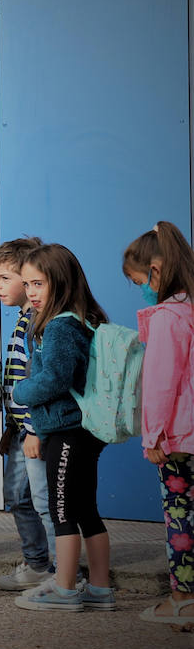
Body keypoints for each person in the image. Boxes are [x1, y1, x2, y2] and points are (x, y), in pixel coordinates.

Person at [11, 243, 115, 611]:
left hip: (67, 431)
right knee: (86, 510)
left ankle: (65, 588)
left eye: (38, 284)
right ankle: (100, 589)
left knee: (62, 511)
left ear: (62, 281)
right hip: (81, 430)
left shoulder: (60, 327)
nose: (31, 293)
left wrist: (20, 391)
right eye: (27, 284)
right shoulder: (82, 319)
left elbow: (55, 378)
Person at [123, 222, 194, 624]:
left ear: (156, 269)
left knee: (180, 516)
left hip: (177, 439)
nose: (142, 290)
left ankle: (183, 599)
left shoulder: (167, 318)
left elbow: (161, 384)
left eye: (139, 281)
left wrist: (153, 437)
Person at [0, 236, 57, 592]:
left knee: (44, 502)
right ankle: (36, 564)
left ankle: (62, 573)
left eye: (5, 278)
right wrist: (11, 426)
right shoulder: (22, 318)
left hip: (36, 432)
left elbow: (41, 382)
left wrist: (33, 430)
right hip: (20, 430)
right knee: (17, 497)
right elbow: (14, 379)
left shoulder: (39, 323)